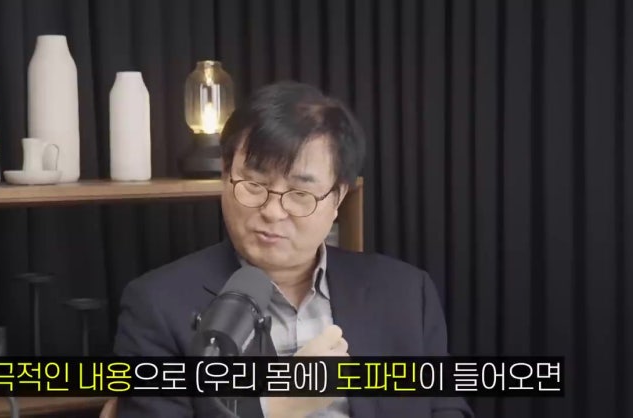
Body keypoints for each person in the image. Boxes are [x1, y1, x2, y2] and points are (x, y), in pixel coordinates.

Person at [113, 81, 473, 418]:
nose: (272, 211)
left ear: (338, 198)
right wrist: (274, 406)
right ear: (225, 175)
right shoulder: (158, 306)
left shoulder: (406, 293)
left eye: (300, 193)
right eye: (254, 184)